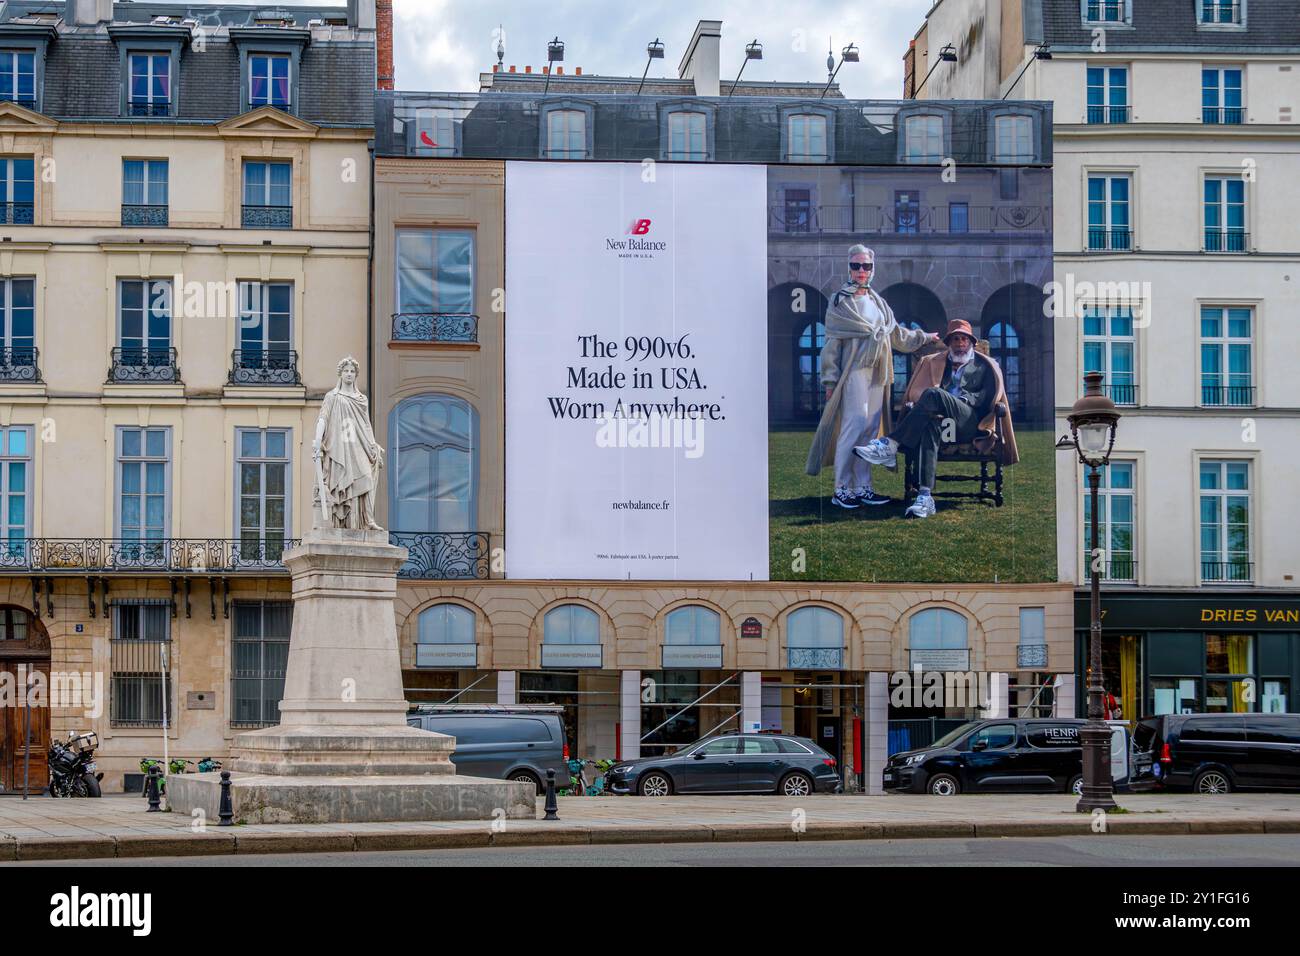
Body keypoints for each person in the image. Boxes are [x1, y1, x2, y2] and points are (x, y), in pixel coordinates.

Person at [805, 244, 940, 509]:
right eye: (856, 266)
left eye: (866, 266)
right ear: (849, 268)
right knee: (854, 423)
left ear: (872, 268)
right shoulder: (839, 301)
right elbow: (832, 343)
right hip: (854, 368)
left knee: (870, 428)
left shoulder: (879, 302)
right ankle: (842, 488)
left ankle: (863, 486)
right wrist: (830, 380)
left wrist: (926, 337)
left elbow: (897, 335)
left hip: (880, 369)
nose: (861, 271)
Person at [854, 318, 1018, 518]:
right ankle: (925, 497)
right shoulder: (937, 363)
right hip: (942, 420)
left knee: (933, 394)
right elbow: (914, 393)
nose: (959, 343)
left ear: (972, 343)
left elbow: (987, 395)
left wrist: (962, 398)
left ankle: (891, 444)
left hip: (970, 421)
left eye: (964, 339)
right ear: (948, 343)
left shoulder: (984, 366)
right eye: (955, 339)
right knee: (931, 424)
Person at [313, 356, 385, 530]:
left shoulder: (361, 399)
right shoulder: (332, 397)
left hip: (358, 444)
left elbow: (366, 424)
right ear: (340, 374)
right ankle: (342, 523)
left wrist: (373, 445)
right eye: (346, 371)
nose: (349, 374)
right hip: (339, 446)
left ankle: (367, 520)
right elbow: (323, 417)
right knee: (342, 483)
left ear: (356, 375)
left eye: (352, 371)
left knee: (366, 477)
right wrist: (317, 439)